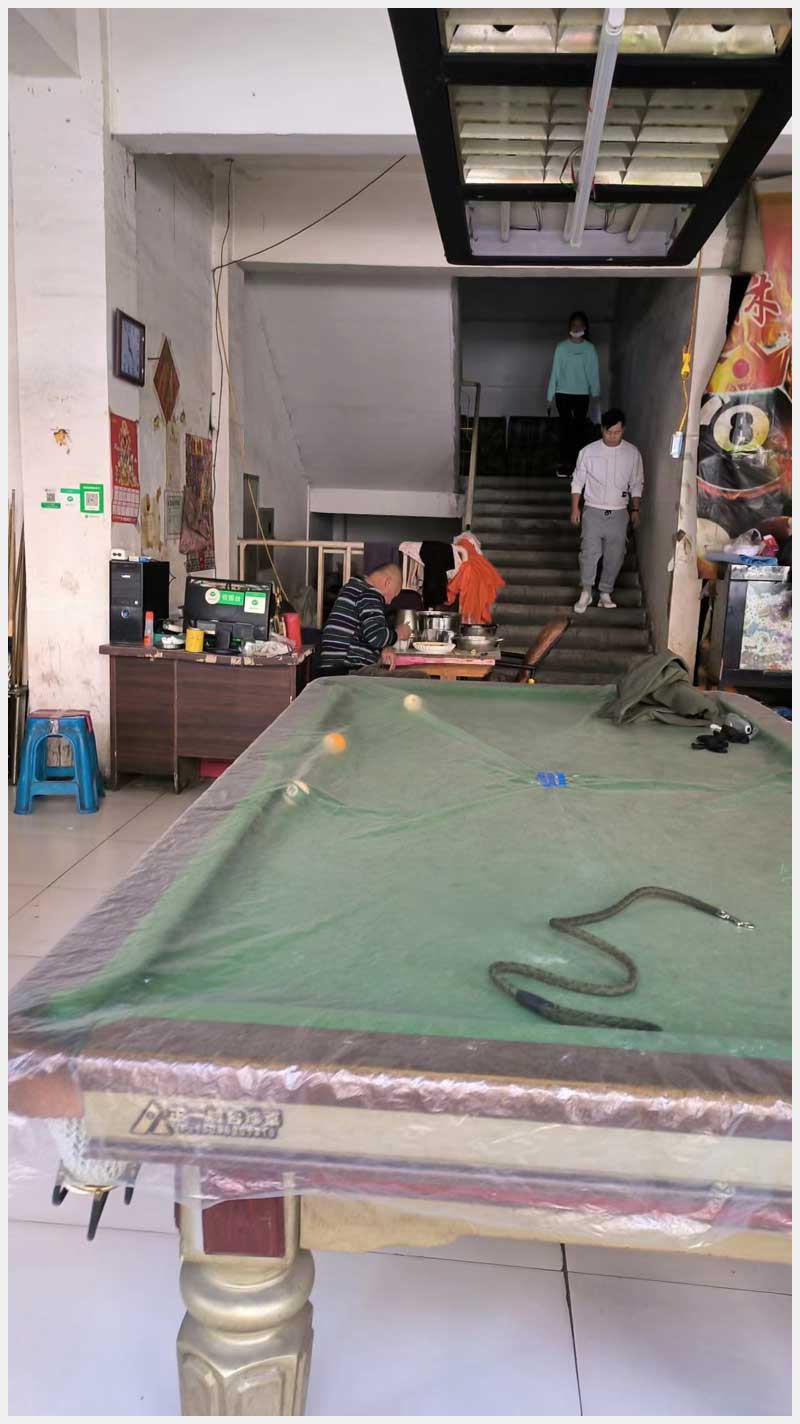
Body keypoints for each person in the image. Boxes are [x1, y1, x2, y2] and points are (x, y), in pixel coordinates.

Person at [570, 408, 643, 613]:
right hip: (593, 509)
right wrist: (575, 508)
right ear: (602, 429)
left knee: (616, 554)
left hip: (618, 511)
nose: (612, 436)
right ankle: (586, 591)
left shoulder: (632, 453)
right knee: (589, 552)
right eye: (608, 432)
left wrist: (635, 509)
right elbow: (578, 482)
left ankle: (605, 592)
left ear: (623, 430)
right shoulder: (588, 452)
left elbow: (636, 483)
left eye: (617, 432)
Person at [320, 563, 413, 674]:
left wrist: (385, 647)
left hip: (333, 667)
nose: (389, 602)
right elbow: (377, 637)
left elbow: (367, 633)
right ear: (388, 582)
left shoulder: (352, 588)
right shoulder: (370, 594)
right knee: (419, 677)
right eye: (394, 594)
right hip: (349, 669)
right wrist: (400, 633)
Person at [547, 311, 601, 476]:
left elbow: (593, 373)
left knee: (579, 430)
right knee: (565, 430)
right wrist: (549, 396)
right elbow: (555, 372)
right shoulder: (561, 348)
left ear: (585, 327)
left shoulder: (589, 349)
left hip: (581, 395)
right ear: (569, 327)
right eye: (574, 324)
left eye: (580, 324)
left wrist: (596, 394)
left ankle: (577, 467)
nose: (576, 327)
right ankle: (565, 466)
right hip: (562, 394)